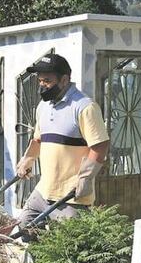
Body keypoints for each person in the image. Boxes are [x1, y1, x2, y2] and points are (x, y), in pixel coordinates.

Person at [15, 54, 110, 226]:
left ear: (64, 80)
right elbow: (38, 140)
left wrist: (85, 179)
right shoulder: (44, 106)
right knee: (24, 225)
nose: (42, 85)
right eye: (40, 81)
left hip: (71, 196)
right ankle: (40, 254)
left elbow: (100, 145)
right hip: (43, 190)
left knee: (68, 246)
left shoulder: (85, 107)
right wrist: (27, 160)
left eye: (47, 81)